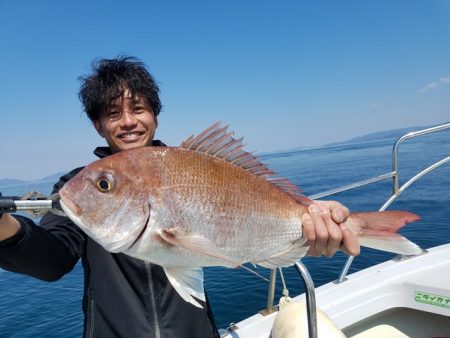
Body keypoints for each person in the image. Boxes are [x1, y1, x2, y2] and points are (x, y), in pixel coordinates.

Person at [0, 56, 359, 338]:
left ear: (154, 116)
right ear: (98, 125)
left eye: (138, 109)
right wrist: (4, 225)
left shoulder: (194, 164)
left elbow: (254, 212)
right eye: (112, 113)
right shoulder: (81, 184)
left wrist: (311, 218)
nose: (128, 122)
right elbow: (51, 261)